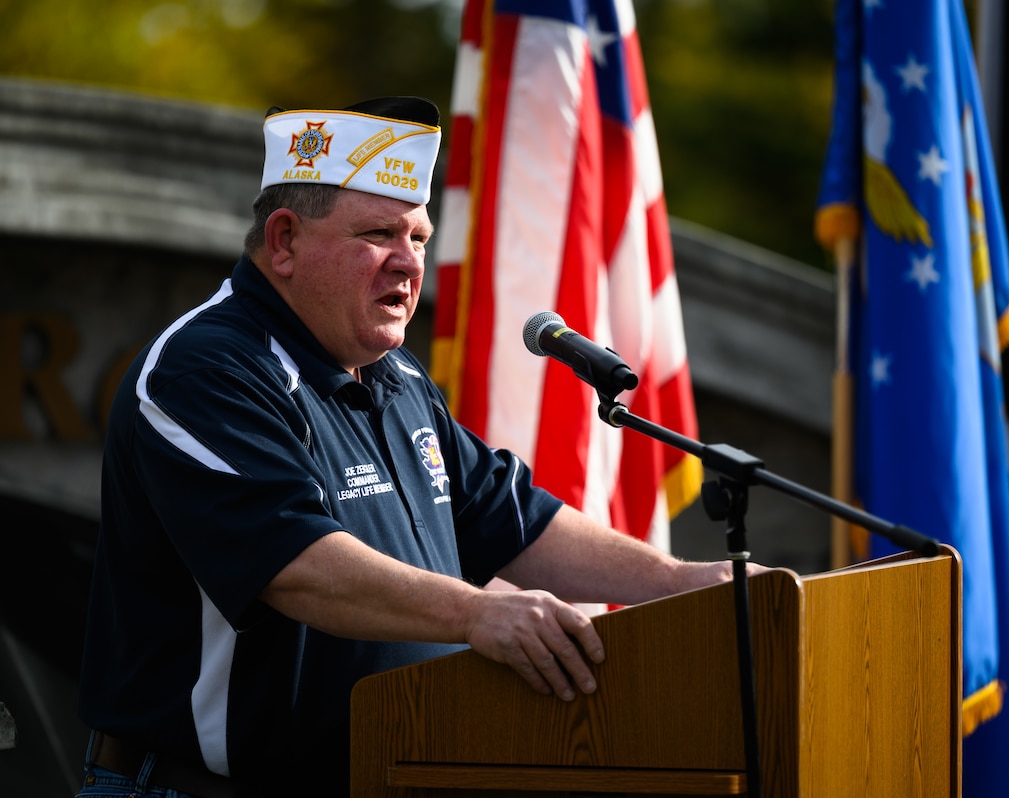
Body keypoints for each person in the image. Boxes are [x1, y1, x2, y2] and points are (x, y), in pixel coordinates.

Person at [75, 96, 760, 797]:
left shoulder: (394, 375)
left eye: (421, 238)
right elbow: (294, 564)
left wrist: (684, 585)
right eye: (378, 234)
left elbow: (514, 519)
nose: (408, 264)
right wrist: (476, 612)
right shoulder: (206, 369)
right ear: (283, 242)